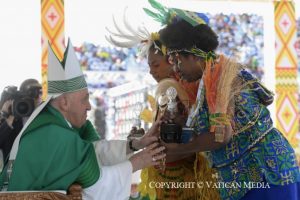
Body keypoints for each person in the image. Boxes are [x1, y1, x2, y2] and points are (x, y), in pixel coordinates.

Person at [144, 1, 300, 199]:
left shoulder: (220, 75)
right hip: (242, 179)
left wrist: (180, 148)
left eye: (177, 60)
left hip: (265, 172)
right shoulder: (201, 81)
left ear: (193, 56)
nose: (176, 68)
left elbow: (221, 135)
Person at [0, 39, 166, 200]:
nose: (89, 106)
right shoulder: (58, 135)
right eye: (84, 99)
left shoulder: (50, 127)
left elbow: (92, 152)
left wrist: (136, 144)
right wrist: (137, 162)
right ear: (64, 102)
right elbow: (98, 187)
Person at [106, 17, 219, 199]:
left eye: (155, 64)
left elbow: (192, 137)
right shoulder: (168, 91)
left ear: (172, 59)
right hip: (167, 177)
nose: (151, 71)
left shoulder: (182, 90)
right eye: (149, 65)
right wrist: (142, 139)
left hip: (185, 180)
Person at [0, 79, 42, 162]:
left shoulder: (43, 115)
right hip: (14, 170)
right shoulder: (12, 120)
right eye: (35, 93)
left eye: (40, 93)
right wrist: (6, 114)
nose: (39, 97)